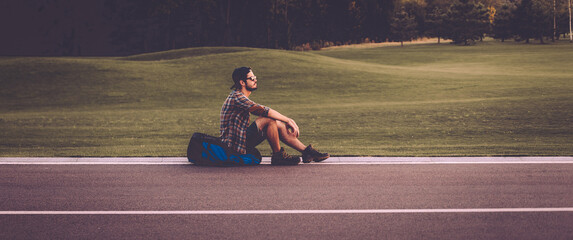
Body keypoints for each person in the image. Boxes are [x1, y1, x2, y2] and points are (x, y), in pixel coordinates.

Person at [220, 67, 329, 165]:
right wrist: (288, 120)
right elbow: (263, 111)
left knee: (276, 123)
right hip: (234, 145)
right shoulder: (237, 97)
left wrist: (286, 121)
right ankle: (278, 156)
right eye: (252, 78)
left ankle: (307, 152)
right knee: (268, 119)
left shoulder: (239, 96)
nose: (255, 80)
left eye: (255, 77)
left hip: (240, 140)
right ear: (242, 82)